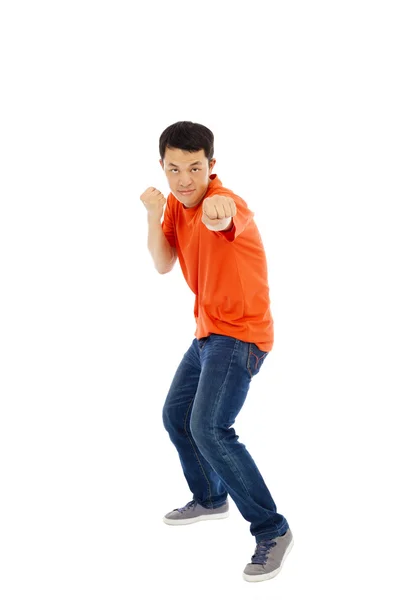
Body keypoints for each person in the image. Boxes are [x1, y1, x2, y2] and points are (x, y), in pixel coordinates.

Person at [140, 121, 294, 583]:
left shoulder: (225, 202)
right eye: (174, 169)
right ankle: (209, 497)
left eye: (195, 167)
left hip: (241, 334)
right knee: (176, 416)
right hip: (208, 333)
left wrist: (220, 209)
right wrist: (153, 212)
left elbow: (225, 219)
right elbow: (164, 263)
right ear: (163, 168)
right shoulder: (173, 204)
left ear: (212, 166)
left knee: (210, 428)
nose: (185, 179)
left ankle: (272, 528)